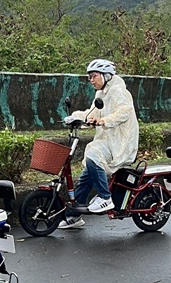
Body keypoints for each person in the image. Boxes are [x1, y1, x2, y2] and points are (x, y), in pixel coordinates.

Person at [58, 59, 139, 230]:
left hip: (120, 143)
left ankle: (105, 198)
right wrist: (76, 117)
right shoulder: (100, 94)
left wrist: (103, 121)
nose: (91, 80)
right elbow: (91, 113)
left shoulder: (119, 91)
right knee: (87, 175)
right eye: (89, 77)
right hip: (108, 141)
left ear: (106, 75)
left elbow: (124, 112)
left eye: (94, 76)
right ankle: (74, 216)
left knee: (92, 151)